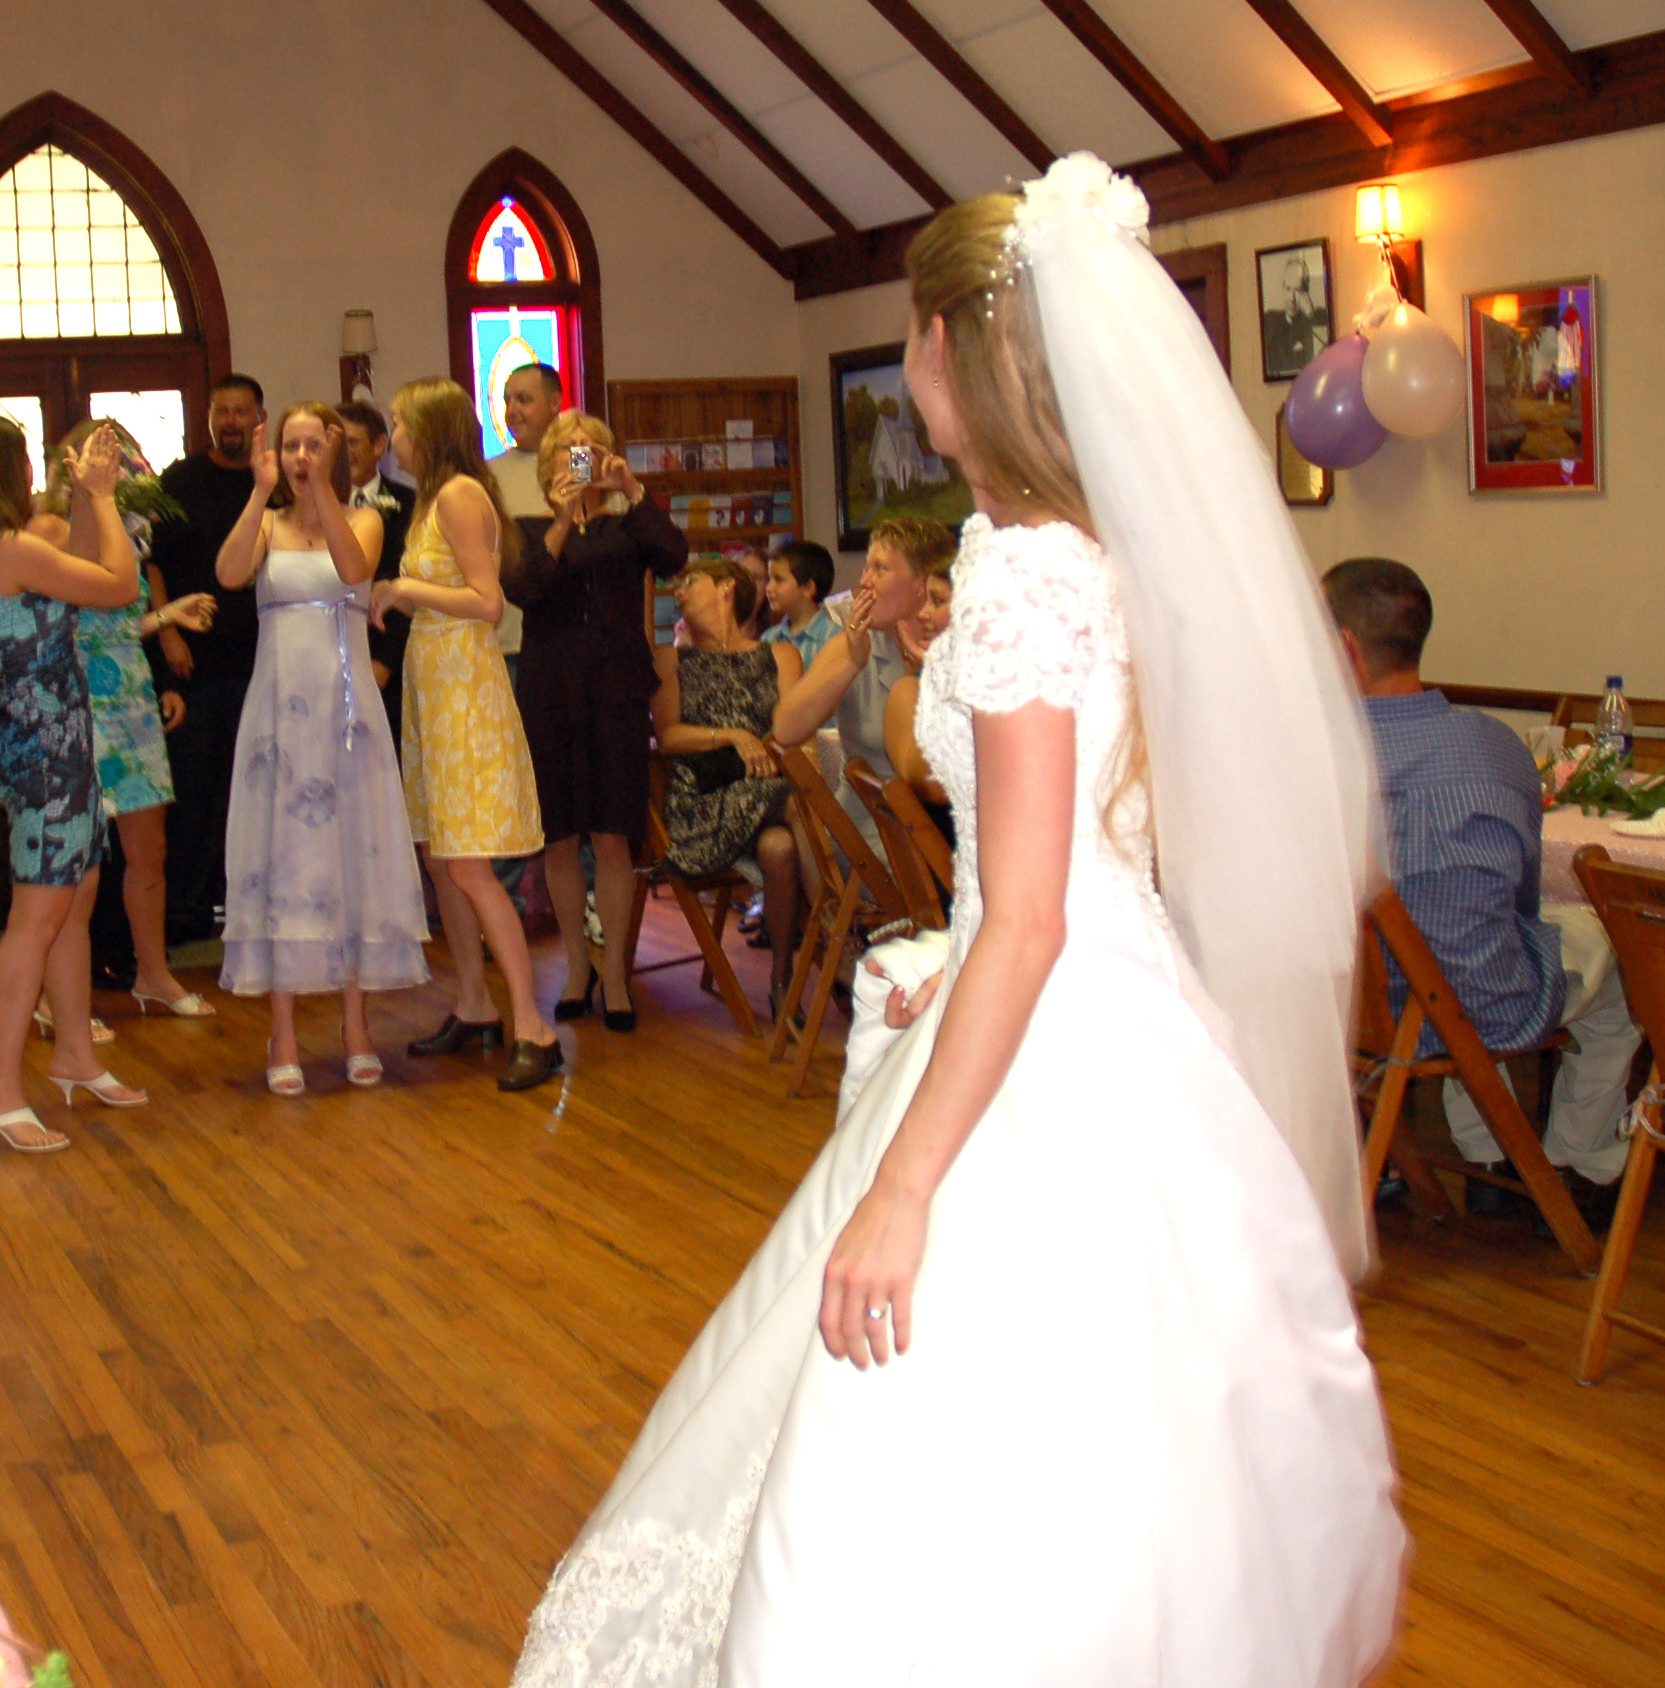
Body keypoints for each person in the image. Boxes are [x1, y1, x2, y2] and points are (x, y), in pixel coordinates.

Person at [513, 162, 1400, 1685]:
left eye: (915, 329)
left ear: (951, 347)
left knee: (943, 1414)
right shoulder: (1087, 553)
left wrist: (907, 1183)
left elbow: (1036, 914)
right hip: (1102, 998)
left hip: (1048, 1006)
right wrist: (981, 954)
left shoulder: (1021, 577)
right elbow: (1108, 843)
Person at [1323, 557, 1640, 1224]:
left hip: (1349, 1012)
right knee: (1617, 963)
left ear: (1344, 647)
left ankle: (1494, 1156)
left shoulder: (1302, 755)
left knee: (1457, 945)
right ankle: (1571, 1164)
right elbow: (1520, 901)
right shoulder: (1493, 746)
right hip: (1480, 1008)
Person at [0, 413, 148, 1154]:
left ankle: (74, 1055)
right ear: (4, 471)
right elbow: (120, 584)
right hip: (41, 746)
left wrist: (88, 498)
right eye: (23, 460)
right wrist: (106, 497)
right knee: (37, 914)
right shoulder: (11, 548)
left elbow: (84, 568)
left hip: (52, 734)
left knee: (75, 897)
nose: (32, 472)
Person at [217, 402, 429, 1093]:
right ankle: (281, 1032)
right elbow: (228, 574)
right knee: (283, 860)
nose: (302, 456)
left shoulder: (365, 517)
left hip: (344, 713)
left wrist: (327, 491)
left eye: (314, 444)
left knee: (350, 857)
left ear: (333, 452)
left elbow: (352, 565)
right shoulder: (268, 522)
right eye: (292, 445)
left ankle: (355, 1025)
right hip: (280, 715)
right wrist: (259, 491)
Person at [377, 377, 558, 1090]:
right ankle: (475, 1003)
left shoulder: (457, 495)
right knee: (441, 856)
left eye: (398, 422)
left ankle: (534, 1026)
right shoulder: (432, 497)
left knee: (471, 866)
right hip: (433, 685)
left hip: (465, 690)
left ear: (427, 429)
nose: (392, 434)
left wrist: (403, 589)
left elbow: (487, 602)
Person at [507, 409, 683, 1035]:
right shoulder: (529, 528)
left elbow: (674, 555)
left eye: (590, 448)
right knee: (559, 837)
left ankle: (614, 974)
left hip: (615, 694)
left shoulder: (629, 524)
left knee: (612, 835)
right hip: (551, 694)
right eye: (567, 449)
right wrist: (561, 520)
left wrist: (631, 489)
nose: (578, 457)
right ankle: (577, 966)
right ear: (548, 461)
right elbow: (524, 589)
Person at [38, 418, 217, 1018]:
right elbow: (70, 617)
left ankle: (154, 974)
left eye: (123, 460)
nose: (120, 470)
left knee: (149, 849)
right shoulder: (52, 530)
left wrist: (167, 617)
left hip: (131, 699)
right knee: (78, 859)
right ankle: (56, 997)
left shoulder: (129, 530)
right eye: (106, 459)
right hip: (78, 701)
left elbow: (118, 622)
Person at [653, 556, 802, 1018]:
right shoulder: (671, 659)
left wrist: (767, 748)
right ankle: (840, 932)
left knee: (780, 848)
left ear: (726, 588)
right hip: (703, 800)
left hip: (766, 792)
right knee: (801, 805)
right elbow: (668, 736)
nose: (678, 592)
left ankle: (783, 978)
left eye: (690, 581)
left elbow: (794, 732)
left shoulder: (779, 655)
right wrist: (733, 736)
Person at [150, 374, 267, 946]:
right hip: (191, 666)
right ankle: (186, 910)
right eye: (222, 411)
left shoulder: (273, 486)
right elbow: (151, 563)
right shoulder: (179, 481)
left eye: (241, 411)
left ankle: (248, 904)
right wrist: (168, 629)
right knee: (192, 791)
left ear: (259, 418)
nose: (230, 421)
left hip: (258, 665)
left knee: (252, 788)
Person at [768, 514, 955, 844]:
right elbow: (785, 729)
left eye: (879, 569)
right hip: (875, 838)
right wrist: (852, 661)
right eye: (866, 568)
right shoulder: (854, 643)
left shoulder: (961, 648)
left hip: (938, 832)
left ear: (922, 582)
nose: (864, 581)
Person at [336, 399, 411, 751]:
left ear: (379, 445)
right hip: (330, 660)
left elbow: (409, 583)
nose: (342, 453)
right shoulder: (315, 506)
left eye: (351, 442)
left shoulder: (410, 503)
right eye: (335, 443)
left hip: (390, 663)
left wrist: (385, 662)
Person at [486, 361, 563, 676]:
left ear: (555, 403)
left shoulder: (582, 463)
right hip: (509, 642)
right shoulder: (487, 474)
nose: (512, 410)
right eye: (507, 401)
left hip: (573, 639)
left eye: (524, 400)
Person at [881, 564, 958, 846]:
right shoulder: (909, 691)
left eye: (937, 601)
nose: (923, 613)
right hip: (955, 860)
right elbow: (934, 785)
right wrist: (942, 681)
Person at [761, 540, 836, 668]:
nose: (768, 587)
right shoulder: (769, 638)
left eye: (778, 579)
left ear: (808, 588)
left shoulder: (833, 637)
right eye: (769, 579)